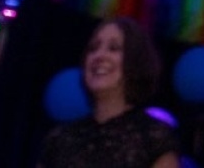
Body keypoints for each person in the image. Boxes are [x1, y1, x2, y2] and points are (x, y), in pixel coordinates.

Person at [39, 17, 179, 168]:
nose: (99, 56)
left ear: (135, 61)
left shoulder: (154, 139)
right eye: (93, 48)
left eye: (113, 48)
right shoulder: (59, 140)